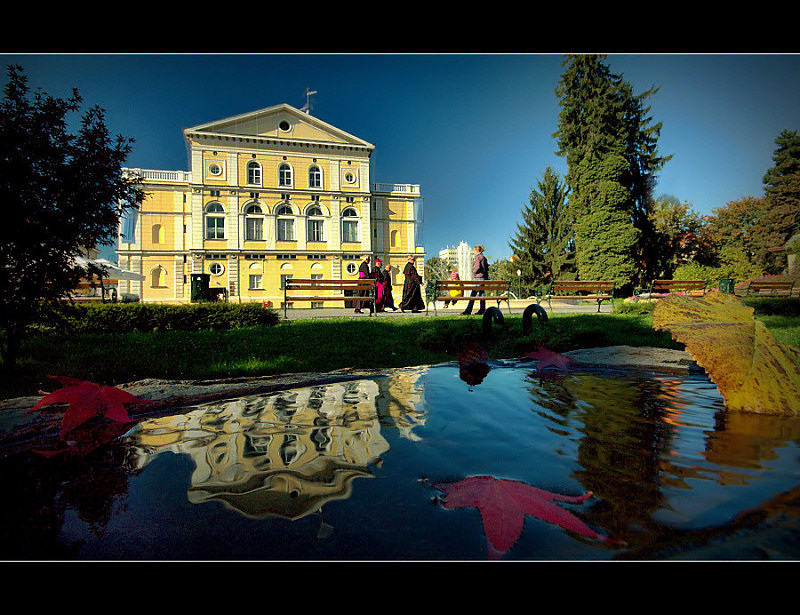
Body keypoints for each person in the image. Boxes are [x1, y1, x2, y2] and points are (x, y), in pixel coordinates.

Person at [462, 245, 488, 315]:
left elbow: (477, 267)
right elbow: (486, 268)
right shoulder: (483, 257)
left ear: (477, 250)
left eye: (473, 250)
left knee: (473, 294)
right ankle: (482, 310)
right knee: (481, 294)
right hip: (483, 278)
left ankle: (468, 310)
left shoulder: (478, 257)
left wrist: (473, 273)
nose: (473, 252)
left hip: (478, 278)